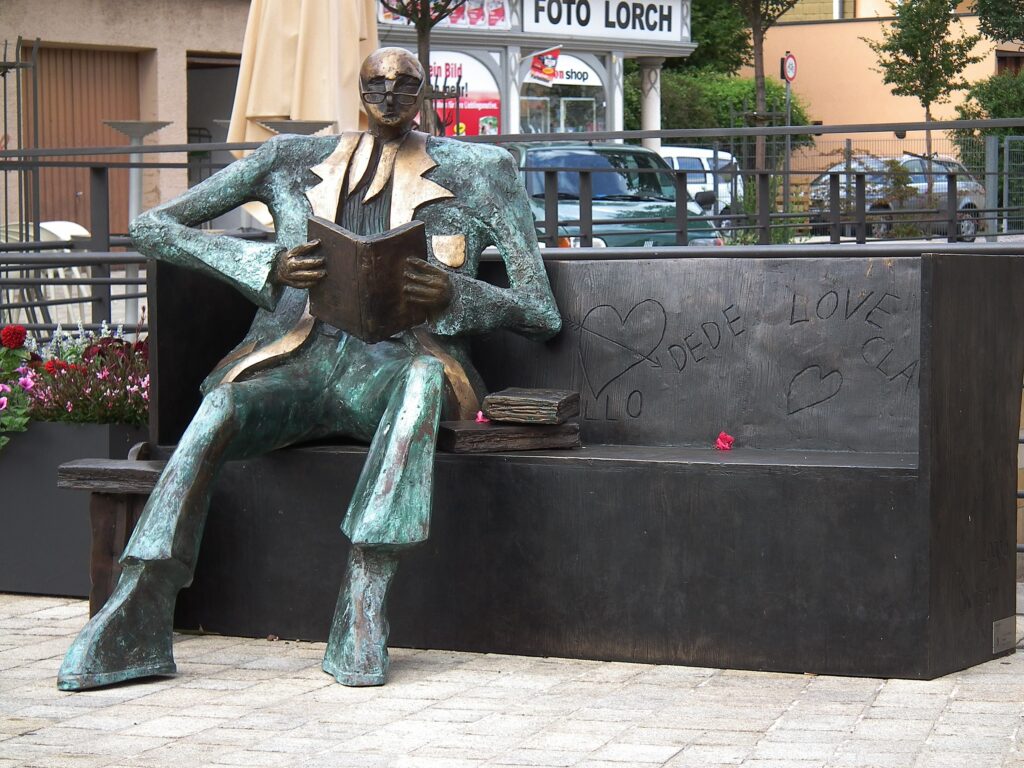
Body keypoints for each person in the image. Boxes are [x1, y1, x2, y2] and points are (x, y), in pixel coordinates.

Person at [58, 47, 560, 691]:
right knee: (221, 407)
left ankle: (364, 598)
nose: (388, 95)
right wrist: (264, 265)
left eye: (404, 83)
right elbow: (152, 227)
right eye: (375, 84)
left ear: (425, 91)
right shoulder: (289, 160)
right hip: (302, 359)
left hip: (404, 362)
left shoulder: (482, 169)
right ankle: (141, 601)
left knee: (422, 382)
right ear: (357, 91)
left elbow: (539, 310)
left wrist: (455, 295)